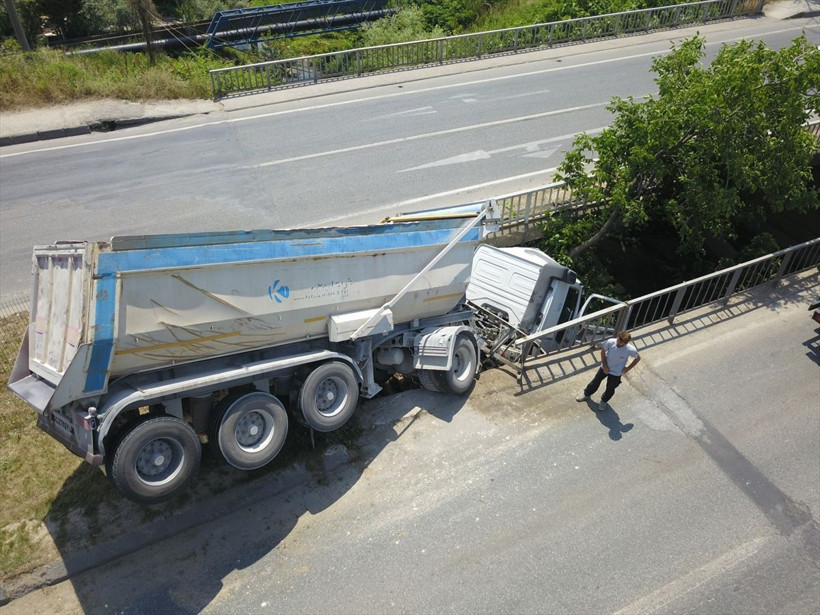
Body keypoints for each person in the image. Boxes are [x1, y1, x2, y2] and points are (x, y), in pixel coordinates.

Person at [576, 330, 640, 412]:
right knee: (595, 382)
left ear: (625, 343)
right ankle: (586, 394)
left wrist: (627, 369)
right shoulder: (610, 342)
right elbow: (603, 352)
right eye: (618, 339)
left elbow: (637, 358)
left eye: (621, 341)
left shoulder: (630, 349)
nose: (618, 342)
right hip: (604, 368)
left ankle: (604, 401)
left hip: (616, 372)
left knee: (610, 388)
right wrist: (605, 366)